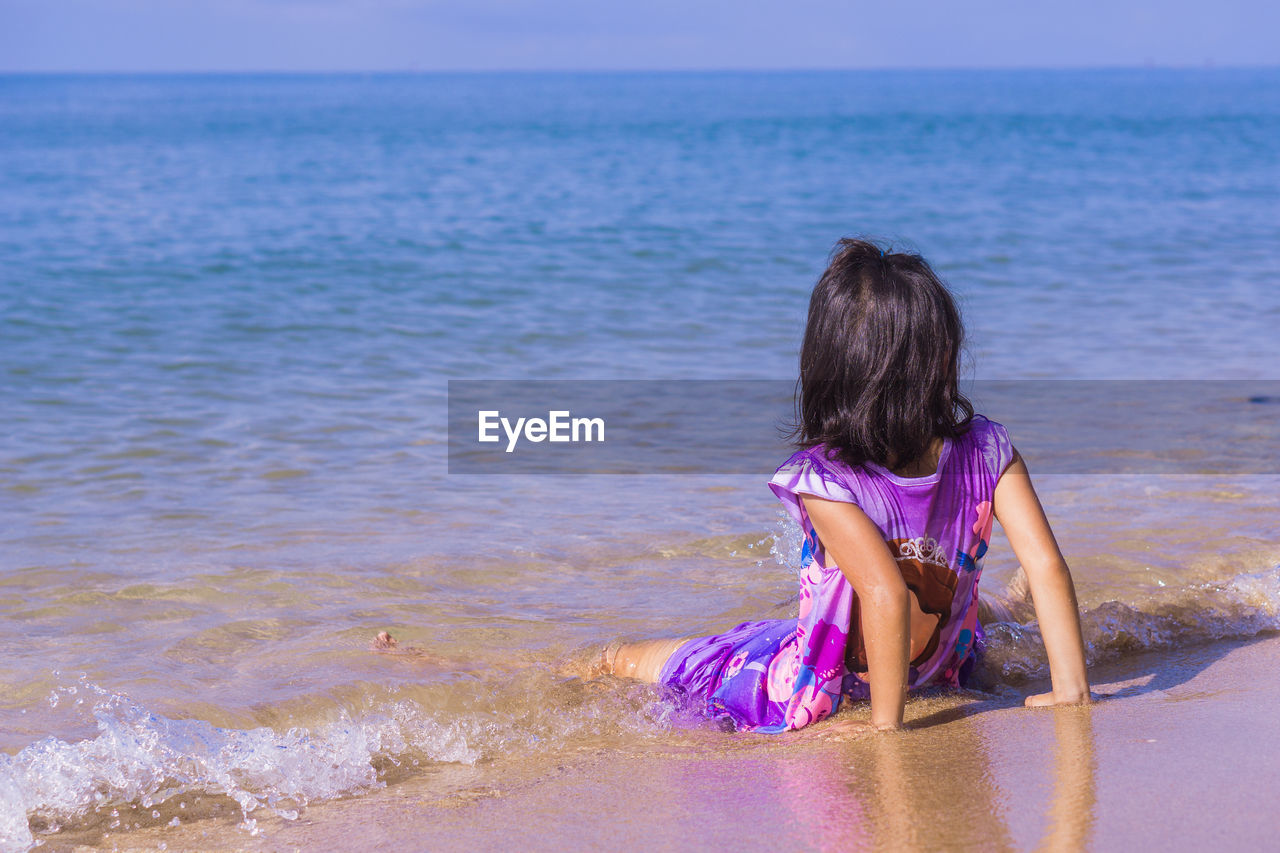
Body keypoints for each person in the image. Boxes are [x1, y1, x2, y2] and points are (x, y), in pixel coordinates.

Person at [603, 238, 1092, 734]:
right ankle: (1009, 604)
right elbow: (1046, 562)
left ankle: (595, 661)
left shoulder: (823, 479)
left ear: (829, 369)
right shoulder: (988, 449)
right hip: (942, 668)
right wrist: (1071, 690)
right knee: (973, 602)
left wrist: (886, 729)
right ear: (944, 358)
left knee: (649, 663)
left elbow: (886, 594)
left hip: (812, 688)